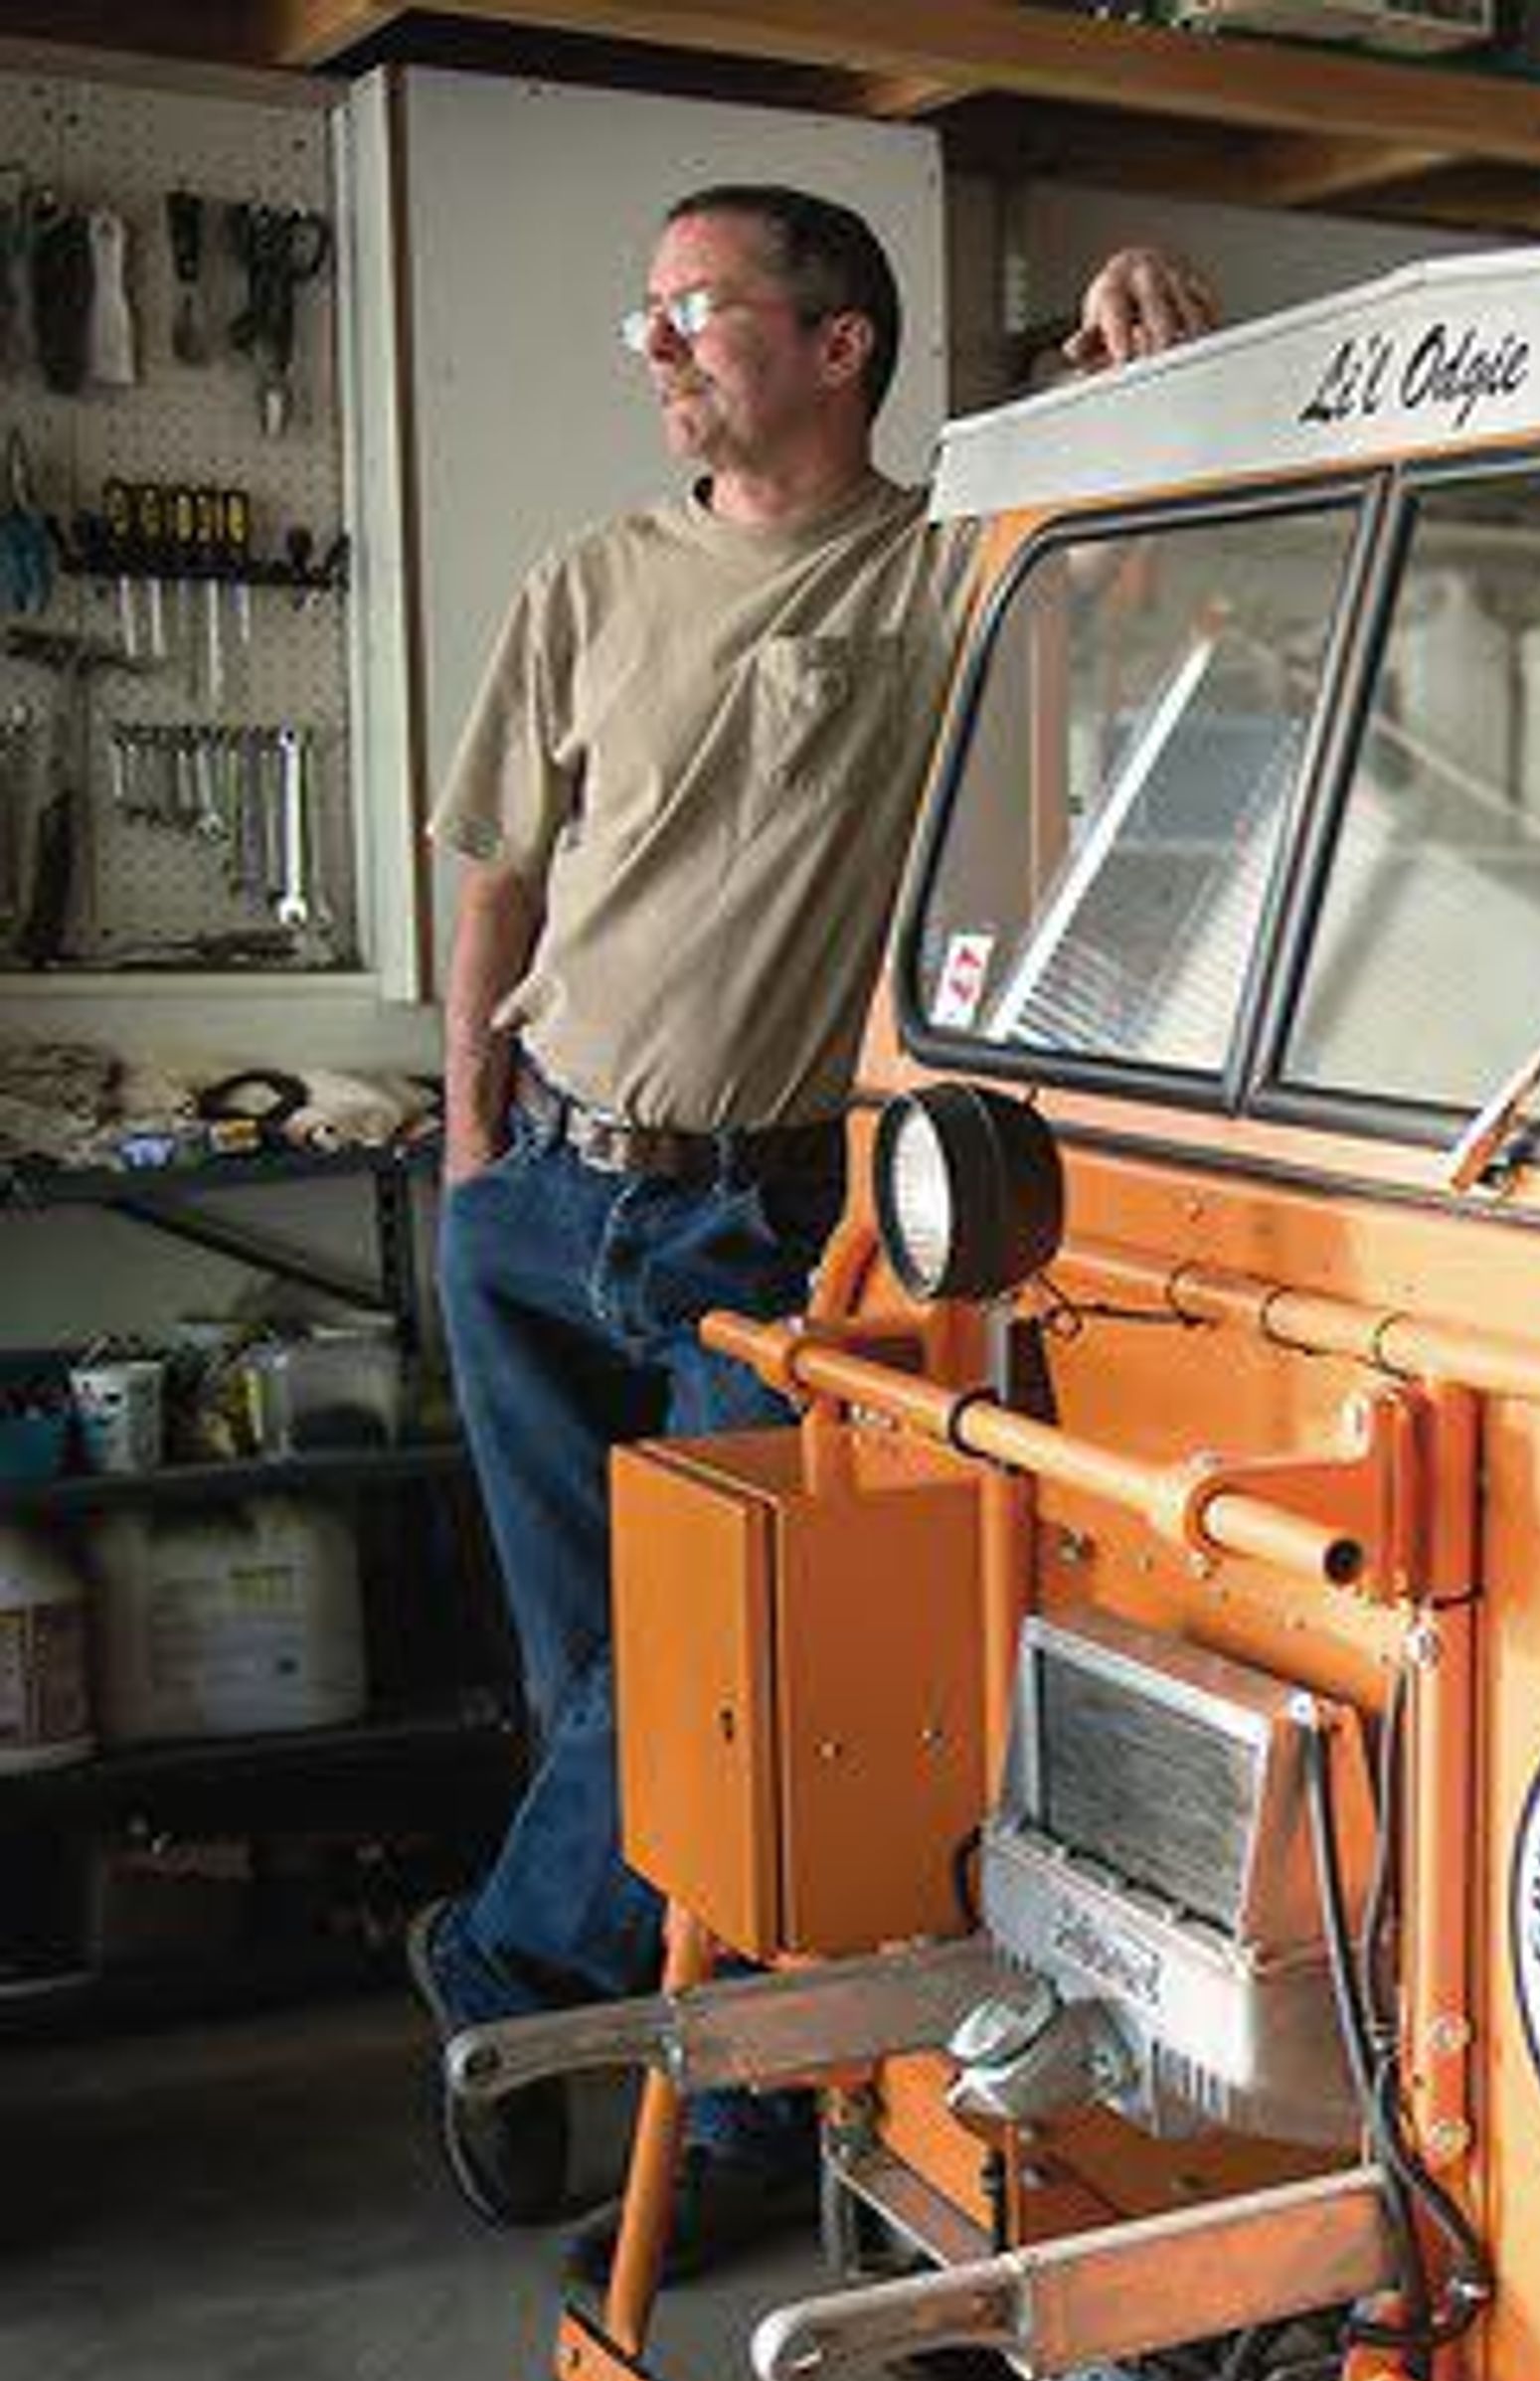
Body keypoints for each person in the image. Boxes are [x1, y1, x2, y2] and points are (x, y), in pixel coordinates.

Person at [404, 185, 1214, 2275]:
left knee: (718, 1692)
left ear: (842, 344)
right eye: (644, 312)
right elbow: (502, 865)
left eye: (699, 308)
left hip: (764, 1225)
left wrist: (1134, 349)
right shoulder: (589, 581)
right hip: (537, 1193)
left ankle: (510, 1980)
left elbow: (1104, 524)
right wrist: (475, 1139)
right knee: (603, 1673)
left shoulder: (940, 572)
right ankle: (727, 2098)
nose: (657, 349)